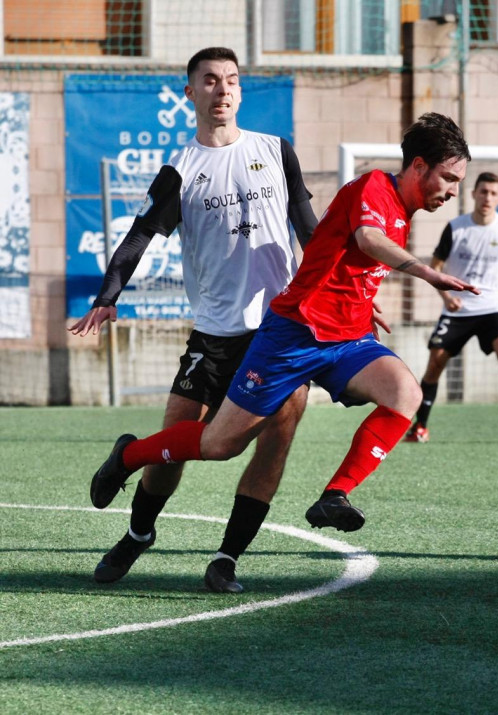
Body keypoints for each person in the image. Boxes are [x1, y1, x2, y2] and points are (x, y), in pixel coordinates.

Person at [88, 113, 477, 583]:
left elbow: (338, 252)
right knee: (218, 444)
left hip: (347, 338)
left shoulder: (406, 210)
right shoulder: (374, 186)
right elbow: (367, 239)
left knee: (405, 395)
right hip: (292, 334)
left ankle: (329, 498)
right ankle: (129, 457)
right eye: (450, 178)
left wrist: (364, 300)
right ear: (419, 166)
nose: (454, 190)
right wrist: (427, 273)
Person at [69, 47, 318, 593]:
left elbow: (309, 228)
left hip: (279, 332)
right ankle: (137, 534)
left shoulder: (276, 151)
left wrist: (340, 291)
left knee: (277, 439)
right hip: (214, 334)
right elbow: (139, 236)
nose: (222, 90)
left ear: (240, 91)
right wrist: (108, 295)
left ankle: (227, 558)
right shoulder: (181, 170)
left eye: (231, 80)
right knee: (176, 443)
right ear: (191, 93)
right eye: (209, 81)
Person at [403, 171, 498, 443]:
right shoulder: (456, 228)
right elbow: (435, 267)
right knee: (436, 361)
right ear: (473, 194)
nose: (487, 198)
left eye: (493, 193)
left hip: (493, 305)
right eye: (483, 191)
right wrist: (447, 298)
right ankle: (420, 426)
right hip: (458, 308)